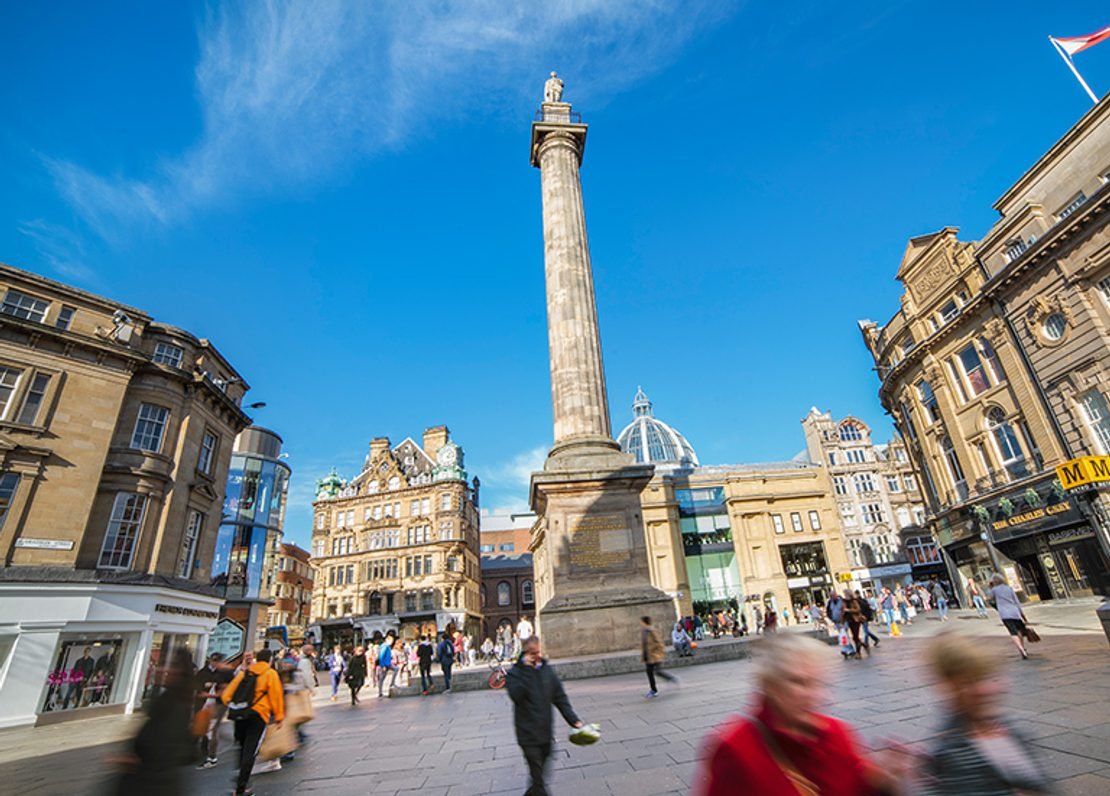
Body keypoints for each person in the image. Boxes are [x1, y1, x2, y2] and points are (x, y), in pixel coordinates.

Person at [695, 635, 902, 795]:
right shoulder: (736, 749)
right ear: (770, 685)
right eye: (798, 682)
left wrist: (883, 784)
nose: (813, 695)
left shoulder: (836, 734)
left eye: (818, 682)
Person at [918, 633, 1052, 794]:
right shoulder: (950, 751)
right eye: (971, 682)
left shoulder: (1006, 728)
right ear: (950, 687)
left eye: (991, 678)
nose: (987, 689)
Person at [506, 636, 584, 795]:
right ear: (525, 653)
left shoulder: (547, 671)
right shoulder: (515, 674)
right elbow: (516, 696)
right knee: (538, 778)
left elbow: (560, 698)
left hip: (545, 734)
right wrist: (527, 670)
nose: (537, 656)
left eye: (538, 652)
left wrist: (574, 720)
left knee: (538, 779)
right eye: (533, 653)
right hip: (527, 735)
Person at [114, 649, 196, 795]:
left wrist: (136, 760)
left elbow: (165, 749)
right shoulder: (167, 700)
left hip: (153, 783)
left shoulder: (174, 705)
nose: (161, 670)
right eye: (161, 664)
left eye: (170, 666)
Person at [221, 647, 285, 796]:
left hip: (241, 714)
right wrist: (279, 717)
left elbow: (226, 696)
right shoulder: (270, 673)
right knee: (251, 750)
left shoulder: (245, 673)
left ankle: (240, 780)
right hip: (259, 715)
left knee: (242, 748)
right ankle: (241, 787)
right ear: (270, 660)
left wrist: (236, 705)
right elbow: (276, 696)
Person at [194, 652, 234, 768]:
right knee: (212, 728)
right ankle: (210, 755)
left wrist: (207, 695)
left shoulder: (226, 673)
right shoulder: (223, 671)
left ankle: (211, 757)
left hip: (219, 704)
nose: (213, 664)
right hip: (217, 703)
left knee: (212, 729)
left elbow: (224, 691)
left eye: (214, 662)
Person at [989, 574, 1032, 660]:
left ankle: (1021, 649)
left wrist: (990, 587)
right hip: (1015, 612)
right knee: (1019, 631)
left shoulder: (994, 590)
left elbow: (990, 599)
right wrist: (1023, 615)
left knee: (1013, 632)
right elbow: (1017, 602)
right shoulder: (1009, 589)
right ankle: (1023, 647)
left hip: (1004, 614)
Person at [641, 616, 679, 697]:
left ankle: (669, 680)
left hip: (654, 656)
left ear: (645, 623)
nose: (641, 624)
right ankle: (654, 689)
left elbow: (659, 643)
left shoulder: (651, 631)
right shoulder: (644, 631)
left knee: (656, 671)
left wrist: (655, 652)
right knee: (650, 672)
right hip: (648, 657)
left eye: (642, 622)